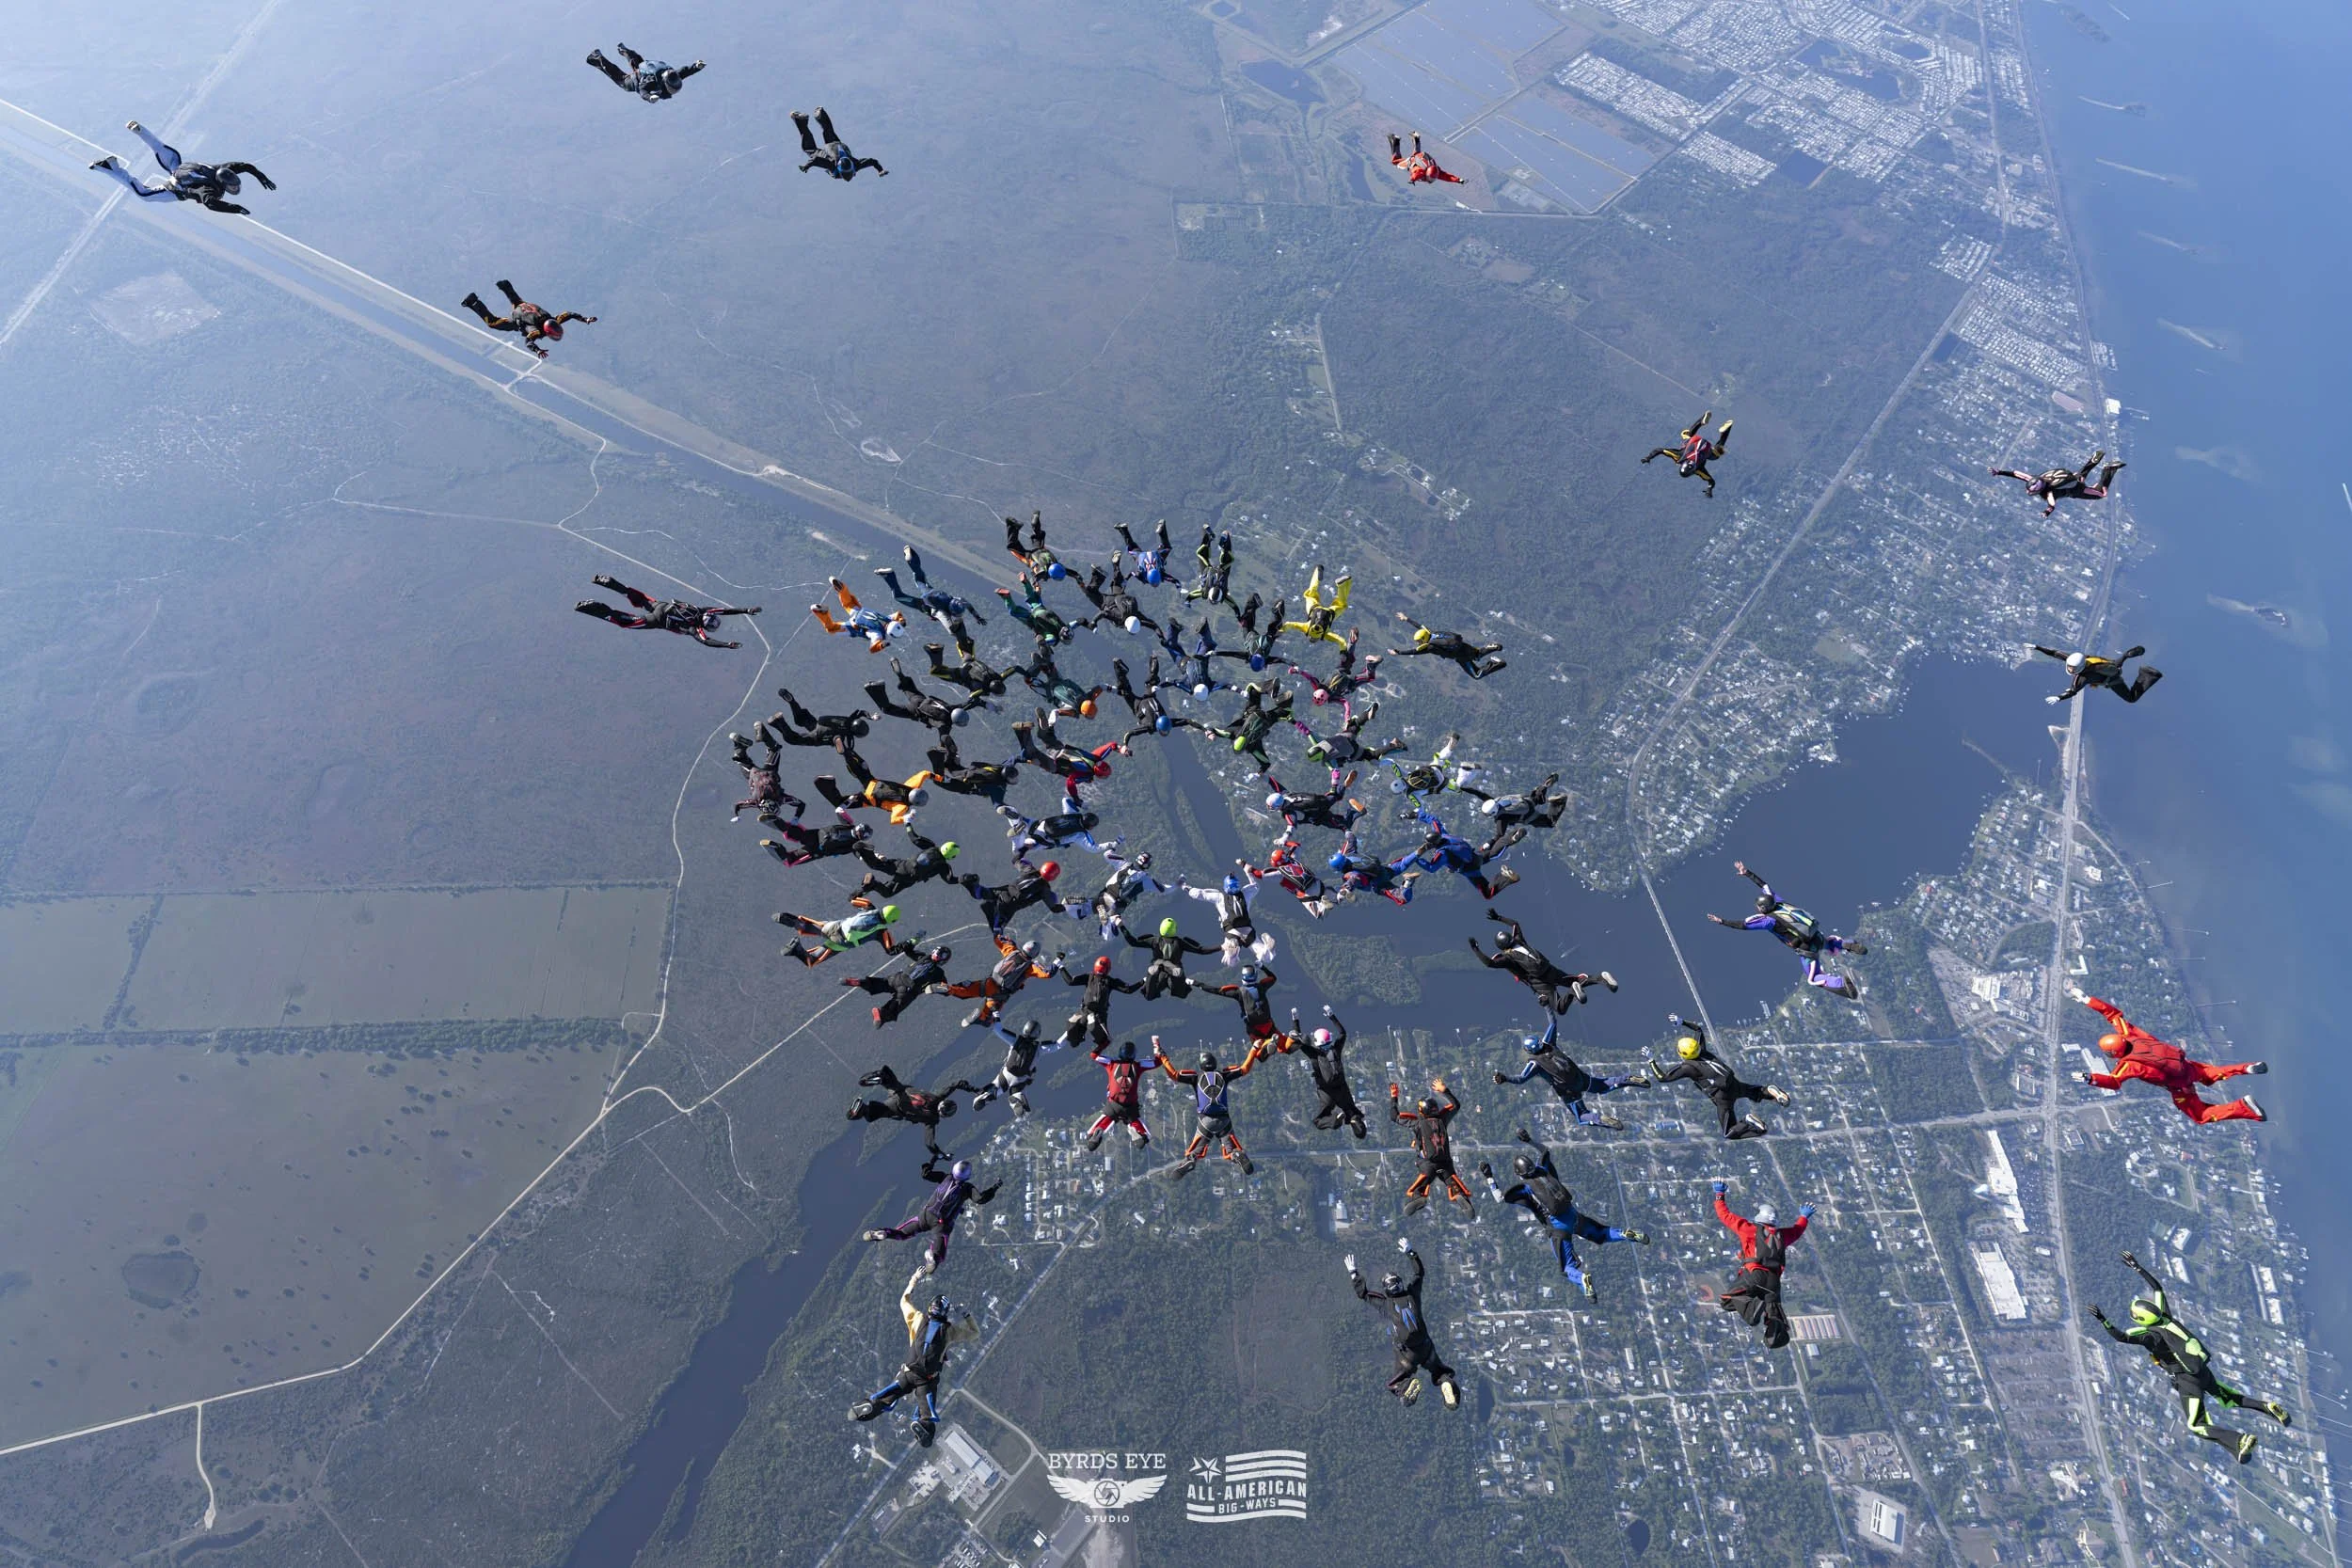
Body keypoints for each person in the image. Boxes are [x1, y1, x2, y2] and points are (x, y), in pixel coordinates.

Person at [2090, 1252, 2290, 1464]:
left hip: (2187, 1380)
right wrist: (2137, 1268)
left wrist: (2104, 1320)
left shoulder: (2151, 1336)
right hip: (2201, 1370)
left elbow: (2122, 1337)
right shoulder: (2166, 1318)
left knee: (2196, 1425)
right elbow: (2157, 1288)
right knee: (2229, 1398)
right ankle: (2266, 1409)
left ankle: (2241, 1439)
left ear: (2141, 1319)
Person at [1481, 1131, 1649, 1300]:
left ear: (1519, 1173)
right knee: (1601, 1233)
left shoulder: (1525, 1188)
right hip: (1573, 1215)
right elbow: (1545, 1151)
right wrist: (1529, 1140)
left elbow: (1500, 1198)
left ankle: (1583, 1280)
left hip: (1557, 1227)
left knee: (1566, 1268)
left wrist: (1489, 1177)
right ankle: (1625, 1234)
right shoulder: (1543, 1170)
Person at [2069, 987, 2265, 1124]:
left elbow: (2114, 1083)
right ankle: (2246, 1068)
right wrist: (2087, 999)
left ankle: (2244, 1108)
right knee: (2210, 1072)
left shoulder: (2129, 1065)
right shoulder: (2129, 1035)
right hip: (2186, 1066)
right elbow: (2113, 1015)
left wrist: (2090, 1078)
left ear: (2114, 1053)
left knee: (2201, 1115)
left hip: (2180, 1086)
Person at [849, 1270, 977, 1448]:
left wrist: (914, 1279)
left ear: (929, 1308)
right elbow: (974, 1334)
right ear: (946, 1313)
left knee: (888, 1397)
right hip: (927, 1379)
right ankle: (923, 1425)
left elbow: (904, 1300)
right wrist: (966, 1314)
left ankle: (870, 1406)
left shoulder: (917, 1319)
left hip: (908, 1372)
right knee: (927, 1414)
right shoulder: (950, 1331)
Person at [1706, 861, 1866, 999]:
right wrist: (1747, 873)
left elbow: (1743, 925)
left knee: (1814, 976)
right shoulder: (1779, 903)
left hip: (1806, 949)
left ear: (1762, 908)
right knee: (1831, 943)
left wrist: (1722, 921)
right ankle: (1846, 944)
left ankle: (1843, 986)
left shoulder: (1767, 921)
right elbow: (1765, 886)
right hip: (1816, 936)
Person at [1346, 1240, 1460, 1406]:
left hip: (1406, 1354)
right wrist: (1410, 1252)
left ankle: (1406, 1387)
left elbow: (1363, 1294)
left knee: (1395, 1383)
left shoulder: (1386, 1304)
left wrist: (1354, 1273)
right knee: (1439, 1371)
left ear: (1386, 1290)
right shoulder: (1412, 1294)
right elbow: (1419, 1273)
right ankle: (1446, 1383)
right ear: (1400, 1284)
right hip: (1426, 1347)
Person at [1647, 1015, 1789, 1139]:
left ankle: (1748, 1121)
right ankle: (1771, 1092)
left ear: (1683, 1054)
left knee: (1728, 1132)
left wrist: (1651, 1060)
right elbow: (1698, 1030)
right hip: (1732, 1082)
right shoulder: (1702, 1051)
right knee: (1755, 1091)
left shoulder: (1688, 1067)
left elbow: (1663, 1077)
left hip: (1722, 1096)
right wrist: (1682, 1022)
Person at [92, 120, 275, 214]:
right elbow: (211, 204)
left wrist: (261, 177)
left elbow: (245, 166)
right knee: (144, 194)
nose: (236, 188)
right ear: (222, 184)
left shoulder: (223, 169)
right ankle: (110, 168)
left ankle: (139, 129)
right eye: (233, 187)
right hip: (173, 188)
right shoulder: (207, 189)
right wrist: (233, 208)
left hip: (179, 166)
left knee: (159, 148)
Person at [1496, 1017, 1648, 1131]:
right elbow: (1553, 1022)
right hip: (1580, 1078)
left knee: (1581, 1116)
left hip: (1568, 1092)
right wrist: (1546, 1003)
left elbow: (1521, 1079)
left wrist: (1504, 1078)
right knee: (1603, 1085)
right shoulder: (1549, 1044)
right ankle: (1627, 1079)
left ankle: (1600, 1119)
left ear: (1529, 1051)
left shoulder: (1534, 1064)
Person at [1713, 1182, 1812, 1349]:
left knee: (1728, 1301)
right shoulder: (1783, 1235)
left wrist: (1719, 1194)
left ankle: (1752, 1310)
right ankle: (1775, 1339)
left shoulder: (1749, 1229)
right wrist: (1804, 1216)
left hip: (1754, 1275)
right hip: (1773, 1283)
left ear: (1760, 1217)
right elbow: (1797, 1231)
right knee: (1774, 1314)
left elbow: (1725, 1215)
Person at [862, 1155, 999, 1273]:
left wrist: (934, 1159)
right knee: (941, 1252)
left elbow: (925, 1174)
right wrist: (994, 1187)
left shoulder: (945, 1177)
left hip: (926, 1215)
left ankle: (883, 1233)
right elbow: (980, 1199)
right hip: (941, 1224)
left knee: (902, 1234)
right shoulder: (967, 1189)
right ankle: (933, 1257)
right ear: (967, 1176)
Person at [1155, 1037, 1264, 1177]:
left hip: (1205, 1121)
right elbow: (1245, 1069)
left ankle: (1191, 1158)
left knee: (1195, 1150)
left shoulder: (1196, 1077)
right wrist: (1254, 1048)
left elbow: (1174, 1075)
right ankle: (1235, 1154)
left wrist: (1163, 1057)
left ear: (1201, 1065)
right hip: (1224, 1120)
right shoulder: (1224, 1075)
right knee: (1230, 1148)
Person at [1469, 911, 1614, 1014]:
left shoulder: (1508, 958)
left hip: (1539, 982)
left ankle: (1572, 991)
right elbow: (1515, 924)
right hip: (1549, 969)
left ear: (1501, 947)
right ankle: (1601, 978)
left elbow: (1489, 963)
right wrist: (1498, 917)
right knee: (1575, 979)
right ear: (1510, 938)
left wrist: (1475, 949)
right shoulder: (1520, 941)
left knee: (1560, 1008)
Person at [575, 575, 756, 646]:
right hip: (657, 619)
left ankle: (608, 582)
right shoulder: (696, 628)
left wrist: (747, 610)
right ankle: (595, 607)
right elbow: (707, 642)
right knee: (627, 622)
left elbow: (725, 611)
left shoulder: (703, 610)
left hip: (661, 605)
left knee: (635, 596)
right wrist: (726, 645)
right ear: (705, 625)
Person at [934, 936, 1060, 1029]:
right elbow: (1048, 973)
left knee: (966, 991)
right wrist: (1057, 961)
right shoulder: (1030, 967)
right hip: (1000, 993)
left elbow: (998, 939)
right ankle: (981, 1019)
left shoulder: (1012, 950)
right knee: (990, 1017)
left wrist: (1000, 930)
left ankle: (949, 989)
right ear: (1035, 954)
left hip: (989, 981)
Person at [1391, 1080, 1474, 1217]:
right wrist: (1444, 1090)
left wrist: (1394, 1097)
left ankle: (1418, 1197)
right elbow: (1456, 1105)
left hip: (1427, 1164)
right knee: (1452, 1182)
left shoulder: (1417, 1123)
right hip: (1445, 1163)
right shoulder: (1442, 1119)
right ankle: (1461, 1196)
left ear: (1421, 1111)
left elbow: (1394, 1117)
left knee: (1421, 1184)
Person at [1279, 1006, 1366, 1136]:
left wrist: (1295, 1019)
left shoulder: (1314, 1054)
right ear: (1329, 1039)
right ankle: (1357, 1125)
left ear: (1316, 1041)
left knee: (1318, 1121)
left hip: (1326, 1092)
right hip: (1342, 1089)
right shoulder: (1335, 1050)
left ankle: (1334, 1121)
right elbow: (1342, 1033)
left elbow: (1299, 1039)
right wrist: (1331, 1016)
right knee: (1352, 1112)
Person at [1399, 811, 1521, 899]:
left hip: (1470, 869)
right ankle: (1510, 838)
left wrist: (1416, 858)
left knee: (1487, 893)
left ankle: (1504, 877)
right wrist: (1415, 815)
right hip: (1475, 856)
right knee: (1492, 854)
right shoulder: (1443, 834)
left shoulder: (1442, 853)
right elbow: (1433, 820)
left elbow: (1431, 868)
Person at [460, 279, 596, 359]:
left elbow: (569, 314)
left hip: (524, 306)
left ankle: (504, 285)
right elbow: (528, 341)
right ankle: (474, 302)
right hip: (519, 317)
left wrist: (585, 319)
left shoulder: (555, 320)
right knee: (492, 323)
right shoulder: (536, 331)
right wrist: (538, 351)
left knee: (515, 299)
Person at [845, 1065, 960, 1155]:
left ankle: (883, 1077)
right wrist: (939, 1153)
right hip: (897, 1108)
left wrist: (975, 1090)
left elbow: (955, 1085)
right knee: (872, 1115)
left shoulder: (937, 1097)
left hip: (900, 1091)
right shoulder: (932, 1119)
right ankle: (863, 1109)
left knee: (889, 1083)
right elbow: (929, 1143)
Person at [845, 944, 952, 1028]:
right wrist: (945, 989)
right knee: (895, 1006)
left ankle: (862, 982)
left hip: (898, 978)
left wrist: (909, 943)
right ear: (944, 961)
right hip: (909, 990)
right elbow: (946, 989)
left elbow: (909, 951)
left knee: (882, 983)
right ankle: (881, 1016)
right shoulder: (939, 973)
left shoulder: (923, 957)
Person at [875, 546, 987, 626]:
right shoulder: (943, 612)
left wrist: (977, 617)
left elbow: (970, 607)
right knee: (898, 596)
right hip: (923, 604)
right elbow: (950, 626)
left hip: (931, 591)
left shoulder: (959, 600)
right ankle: (889, 575)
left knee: (919, 576)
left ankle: (911, 557)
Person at [1992, 451, 2125, 517]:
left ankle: (2108, 469)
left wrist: (2046, 513)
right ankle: (2093, 461)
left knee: (2101, 494)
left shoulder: (2049, 493)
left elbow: (2051, 506)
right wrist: (1999, 472)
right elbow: (2017, 474)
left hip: (2076, 490)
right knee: (2080, 475)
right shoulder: (2036, 479)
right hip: (2071, 479)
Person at [959, 859, 1076, 933]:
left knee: (984, 893)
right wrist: (1067, 905)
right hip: (1010, 905)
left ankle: (972, 884)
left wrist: (1024, 847)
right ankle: (991, 913)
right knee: (997, 931)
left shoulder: (1030, 870)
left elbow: (1015, 859)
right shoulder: (1045, 890)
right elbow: (1054, 909)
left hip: (1003, 891)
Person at [866, 667, 988, 738]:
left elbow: (968, 704)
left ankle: (901, 675)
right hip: (914, 711)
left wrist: (982, 703)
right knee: (887, 709)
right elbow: (944, 737)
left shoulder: (952, 708)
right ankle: (877, 688)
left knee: (907, 687)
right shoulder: (945, 725)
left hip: (920, 699)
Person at [1183, 873, 1274, 966]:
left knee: (1229, 962)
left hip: (1231, 930)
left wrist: (1188, 889)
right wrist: (1247, 872)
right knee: (1265, 956)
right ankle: (1266, 950)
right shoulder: (1246, 893)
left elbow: (1200, 894)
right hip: (1247, 929)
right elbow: (1256, 887)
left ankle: (1232, 954)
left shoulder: (1219, 897)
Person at [1295, 701, 1404, 778]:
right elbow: (1308, 733)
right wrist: (1295, 722)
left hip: (1353, 752)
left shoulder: (1328, 760)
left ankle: (1394, 745)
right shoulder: (1318, 743)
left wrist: (1335, 781)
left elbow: (1334, 770)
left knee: (1372, 756)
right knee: (1356, 724)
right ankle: (1367, 715)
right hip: (1345, 736)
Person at [2031, 642, 2163, 705]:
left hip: (2112, 679)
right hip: (2108, 665)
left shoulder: (2082, 677)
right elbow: (2055, 653)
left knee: (2131, 698)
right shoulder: (2076, 659)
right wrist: (2038, 647)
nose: (2070, 670)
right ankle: (2126, 656)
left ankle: (2148, 674)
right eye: (2070, 667)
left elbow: (2072, 691)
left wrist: (2059, 698)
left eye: (2072, 668)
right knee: (2116, 664)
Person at [778, 901, 901, 967]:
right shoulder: (882, 931)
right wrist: (909, 944)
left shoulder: (869, 907)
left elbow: (853, 899)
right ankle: (796, 950)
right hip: (842, 942)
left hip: (836, 926)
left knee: (809, 926)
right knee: (813, 959)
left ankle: (790, 920)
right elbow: (891, 950)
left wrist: (866, 884)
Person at [1641, 411, 1735, 498]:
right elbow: (1660, 450)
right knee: (1687, 434)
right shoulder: (1678, 457)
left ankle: (1726, 430)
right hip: (1695, 441)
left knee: (1717, 453)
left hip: (1707, 449)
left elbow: (1711, 481)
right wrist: (1648, 457)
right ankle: (1701, 421)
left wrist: (1709, 489)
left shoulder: (1699, 470)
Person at [1057, 955, 1140, 1051]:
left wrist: (1061, 967)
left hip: (1093, 1013)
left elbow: (1070, 981)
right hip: (1093, 1013)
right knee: (1075, 1028)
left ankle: (1084, 1040)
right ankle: (1086, 1040)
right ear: (1107, 969)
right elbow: (1128, 989)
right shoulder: (1108, 981)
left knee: (1077, 1028)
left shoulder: (1090, 977)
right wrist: (1143, 981)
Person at [1123, 915, 1216, 999]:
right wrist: (1221, 947)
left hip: (1159, 975)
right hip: (1173, 974)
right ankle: (1177, 977)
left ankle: (1152, 976)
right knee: (1181, 993)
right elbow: (1201, 950)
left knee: (1149, 995)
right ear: (1174, 930)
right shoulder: (1180, 942)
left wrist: (1120, 925)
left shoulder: (1154, 940)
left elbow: (1133, 942)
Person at [1292, 630, 1381, 717]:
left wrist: (1347, 716)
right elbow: (1310, 678)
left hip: (1350, 683)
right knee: (1347, 659)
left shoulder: (1331, 698)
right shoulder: (1318, 686)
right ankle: (1352, 642)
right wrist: (1298, 671)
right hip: (1339, 671)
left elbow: (1345, 704)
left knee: (1369, 677)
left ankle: (1370, 664)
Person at [1083, 1039, 1152, 1150]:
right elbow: (1158, 1062)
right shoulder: (1139, 1066)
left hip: (1113, 1105)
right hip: (1130, 1107)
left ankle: (1095, 1132)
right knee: (1144, 1137)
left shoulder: (1111, 1063)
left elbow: (1094, 1055)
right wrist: (1158, 1048)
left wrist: (1103, 1044)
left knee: (1092, 1136)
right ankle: (1137, 1131)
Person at [1389, 616, 1506, 679]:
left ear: (1423, 639)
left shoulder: (1430, 647)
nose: (1419, 643)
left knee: (1477, 675)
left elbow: (1414, 651)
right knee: (1477, 655)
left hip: (1461, 657)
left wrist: (1398, 652)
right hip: (1464, 646)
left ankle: (1495, 662)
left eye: (1419, 641)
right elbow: (1419, 626)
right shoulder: (1431, 633)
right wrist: (1406, 619)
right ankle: (1493, 647)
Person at [855, 828, 961, 898]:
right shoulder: (943, 866)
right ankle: (873, 884)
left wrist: (908, 824)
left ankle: (863, 850)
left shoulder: (931, 847)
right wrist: (963, 879)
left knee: (876, 864)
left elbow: (915, 839)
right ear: (951, 856)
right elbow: (949, 880)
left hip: (902, 864)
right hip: (907, 877)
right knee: (887, 892)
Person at [1090, 847, 1170, 939]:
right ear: (1147, 865)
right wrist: (1177, 884)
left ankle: (1102, 918)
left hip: (1106, 895)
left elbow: (1107, 855)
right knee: (1111, 933)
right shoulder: (1145, 878)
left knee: (1107, 925)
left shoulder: (1125, 864)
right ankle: (1109, 921)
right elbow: (1163, 890)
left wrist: (1114, 845)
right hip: (1118, 904)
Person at [970, 1020, 1046, 1116]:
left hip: (1006, 1073)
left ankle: (985, 1096)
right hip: (1020, 1078)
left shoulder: (1016, 1040)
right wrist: (1069, 1030)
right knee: (1019, 1091)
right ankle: (1016, 1100)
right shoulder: (1039, 1048)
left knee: (996, 1087)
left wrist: (996, 1015)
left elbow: (999, 1030)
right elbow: (1058, 1045)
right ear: (1037, 1033)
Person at [729, 727, 804, 824]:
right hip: (753, 773)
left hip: (769, 771)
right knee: (741, 759)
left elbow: (801, 804)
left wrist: (796, 817)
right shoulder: (756, 802)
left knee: (774, 749)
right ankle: (739, 746)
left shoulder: (781, 799)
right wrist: (736, 815)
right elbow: (737, 805)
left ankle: (762, 733)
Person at [809, 578, 907, 652]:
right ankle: (823, 613)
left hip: (858, 611)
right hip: (853, 627)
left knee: (848, 602)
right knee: (831, 629)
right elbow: (873, 648)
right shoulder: (877, 633)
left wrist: (902, 621)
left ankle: (842, 589)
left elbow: (897, 614)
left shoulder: (888, 619)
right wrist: (882, 645)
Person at [1204, 963, 1285, 1048]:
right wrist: (1262, 967)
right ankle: (1271, 1041)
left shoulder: (1238, 992)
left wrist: (1197, 984)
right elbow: (1273, 978)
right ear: (1255, 976)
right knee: (1282, 1046)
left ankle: (1268, 1043)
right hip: (1268, 1024)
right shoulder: (1261, 986)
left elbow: (1215, 990)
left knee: (1259, 1054)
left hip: (1253, 1028)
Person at [585, 44, 706, 101]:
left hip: (643, 70)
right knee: (618, 77)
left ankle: (624, 50)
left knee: (637, 62)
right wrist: (649, 97)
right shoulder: (651, 82)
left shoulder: (672, 75)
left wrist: (696, 67)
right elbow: (642, 91)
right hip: (634, 81)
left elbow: (685, 71)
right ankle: (597, 57)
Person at [794, 107, 886, 180]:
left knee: (828, 131)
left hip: (839, 145)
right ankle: (800, 120)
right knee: (809, 149)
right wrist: (807, 166)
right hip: (830, 150)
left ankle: (820, 114)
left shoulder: (857, 165)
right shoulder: (832, 165)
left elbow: (872, 161)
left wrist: (880, 170)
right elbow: (815, 159)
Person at [757, 810, 870, 868]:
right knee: (791, 860)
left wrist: (846, 802)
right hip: (818, 850)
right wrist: (864, 858)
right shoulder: (854, 844)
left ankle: (776, 822)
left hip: (816, 835)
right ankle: (776, 847)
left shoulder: (849, 825)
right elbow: (858, 853)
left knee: (796, 833)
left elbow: (839, 812)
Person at [1076, 560, 1160, 636]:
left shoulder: (1137, 618)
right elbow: (1103, 613)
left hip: (1120, 597)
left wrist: (1161, 637)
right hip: (1106, 602)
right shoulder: (1119, 618)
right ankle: (1096, 576)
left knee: (1117, 583)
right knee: (1089, 592)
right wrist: (1094, 622)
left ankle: (1115, 565)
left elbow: (1153, 625)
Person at [769, 689, 872, 748]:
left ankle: (791, 703)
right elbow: (849, 746)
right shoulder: (847, 734)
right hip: (817, 737)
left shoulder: (848, 720)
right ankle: (780, 721)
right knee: (792, 739)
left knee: (801, 719)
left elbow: (860, 712)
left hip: (819, 724)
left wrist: (870, 716)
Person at [1265, 773, 1363, 832]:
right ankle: (1343, 785)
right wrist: (1261, 776)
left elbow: (1291, 825)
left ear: (1278, 806)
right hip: (1320, 800)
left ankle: (1356, 812)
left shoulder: (1288, 812)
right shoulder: (1286, 795)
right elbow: (1274, 784)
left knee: (1342, 825)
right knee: (1335, 796)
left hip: (1319, 816)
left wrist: (1284, 837)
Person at [1282, 566, 1353, 648]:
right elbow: (1290, 624)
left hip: (1330, 612)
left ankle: (1341, 586)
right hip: (1314, 609)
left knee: (1341, 604)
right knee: (1310, 594)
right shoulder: (1306, 628)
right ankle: (1317, 571)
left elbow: (1341, 641)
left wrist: (1343, 651)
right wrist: (1281, 630)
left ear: (1318, 638)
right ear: (1309, 635)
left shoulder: (1325, 634)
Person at [997, 574, 1073, 645]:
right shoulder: (1054, 637)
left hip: (1041, 610)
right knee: (1014, 611)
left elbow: (1078, 622)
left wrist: (1084, 623)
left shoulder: (1065, 626)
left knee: (1032, 597)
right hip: (1033, 620)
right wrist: (1042, 644)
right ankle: (1006, 597)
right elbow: (1049, 640)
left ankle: (1026, 583)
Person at [1476, 775, 1570, 832]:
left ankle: (1556, 802)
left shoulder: (1501, 817)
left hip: (1528, 816)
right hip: (1526, 800)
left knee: (1549, 822)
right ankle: (1545, 785)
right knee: (1537, 799)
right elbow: (1481, 794)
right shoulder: (1498, 800)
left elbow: (1500, 834)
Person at [1111, 520, 1181, 587]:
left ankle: (1162, 531)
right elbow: (1132, 573)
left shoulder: (1161, 574)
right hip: (1140, 557)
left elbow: (1174, 580)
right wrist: (1126, 580)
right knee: (1131, 546)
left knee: (1167, 547)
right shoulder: (1141, 576)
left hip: (1155, 556)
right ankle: (1123, 529)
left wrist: (1179, 586)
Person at [1386, 131, 1463, 186]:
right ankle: (1394, 140)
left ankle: (1416, 138)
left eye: (1432, 179)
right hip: (1412, 161)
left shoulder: (1436, 173)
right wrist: (1412, 180)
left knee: (1416, 153)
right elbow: (1416, 174)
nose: (1431, 180)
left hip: (1420, 157)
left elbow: (1447, 177)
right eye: (1431, 178)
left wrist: (1458, 180)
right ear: (1427, 174)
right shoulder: (1420, 171)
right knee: (1395, 162)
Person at [1003, 511, 1064, 580]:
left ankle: (1035, 523)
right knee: (1012, 547)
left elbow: (1072, 573)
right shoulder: (1043, 572)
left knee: (1037, 537)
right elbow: (1036, 572)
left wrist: (1079, 580)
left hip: (1041, 550)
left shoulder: (1057, 565)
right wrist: (1033, 580)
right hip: (1030, 557)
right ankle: (1013, 526)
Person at [1183, 526, 1234, 605]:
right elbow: (1192, 595)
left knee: (1226, 557)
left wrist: (1237, 613)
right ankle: (1208, 536)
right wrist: (1187, 600)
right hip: (1208, 570)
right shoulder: (1205, 592)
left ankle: (1225, 543)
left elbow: (1232, 604)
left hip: (1221, 570)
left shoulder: (1221, 595)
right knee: (1203, 554)